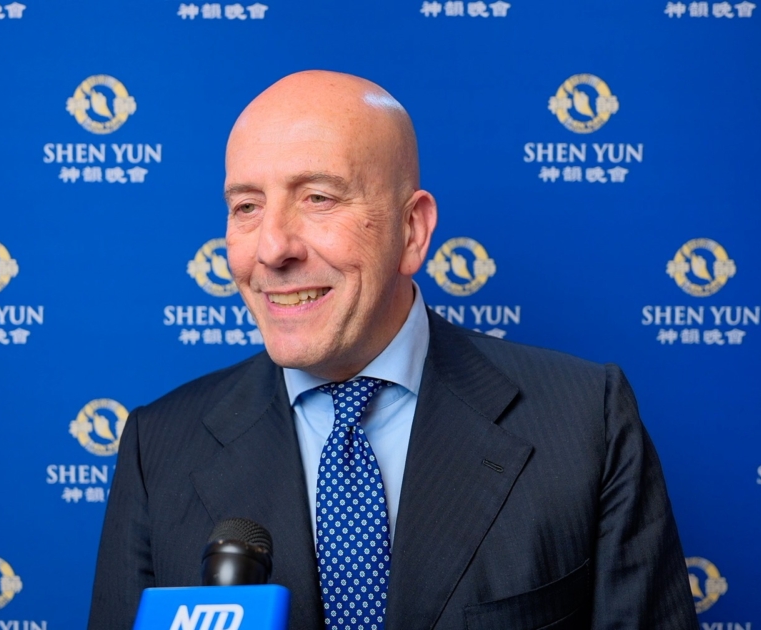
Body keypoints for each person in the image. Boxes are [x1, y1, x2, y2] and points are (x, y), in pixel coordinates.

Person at [89, 70, 696, 630]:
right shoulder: (157, 447)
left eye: (318, 198)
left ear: (412, 231)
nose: (272, 248)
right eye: (246, 206)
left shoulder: (585, 421)